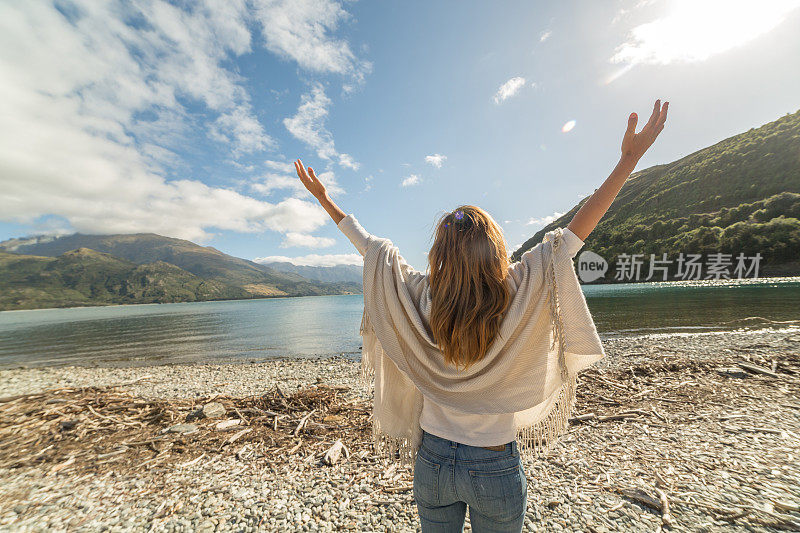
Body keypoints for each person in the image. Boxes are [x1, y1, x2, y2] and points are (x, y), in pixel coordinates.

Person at [293, 100, 669, 532]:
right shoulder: (520, 286)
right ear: (496, 247)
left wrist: (326, 200)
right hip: (494, 462)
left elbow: (372, 249)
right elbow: (574, 234)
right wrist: (628, 161)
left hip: (432, 461)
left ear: (439, 254)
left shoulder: (421, 295)